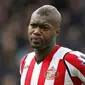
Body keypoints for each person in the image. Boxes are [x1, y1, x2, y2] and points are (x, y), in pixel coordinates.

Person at [20, 5, 85, 85]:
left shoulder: (71, 60)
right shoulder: (25, 61)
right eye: (33, 25)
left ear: (57, 32)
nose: (36, 31)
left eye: (44, 28)